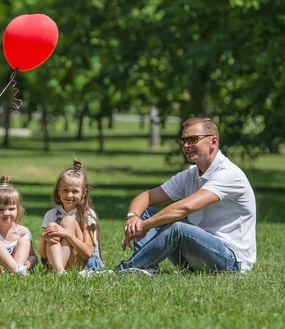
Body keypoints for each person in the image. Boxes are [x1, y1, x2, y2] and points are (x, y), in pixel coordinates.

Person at [117, 117, 256, 275]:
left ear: (213, 141)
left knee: (178, 228)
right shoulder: (190, 175)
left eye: (192, 139)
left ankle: (126, 268)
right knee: (145, 212)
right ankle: (145, 267)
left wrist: (143, 226)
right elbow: (146, 197)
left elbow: (185, 208)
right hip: (197, 253)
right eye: (183, 141)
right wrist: (133, 218)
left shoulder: (228, 174)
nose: (186, 145)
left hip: (231, 262)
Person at [39, 158, 103, 274]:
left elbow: (87, 253)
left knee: (68, 221)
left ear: (84, 193)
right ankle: (59, 271)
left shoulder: (86, 214)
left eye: (75, 191)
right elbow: (43, 254)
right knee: (53, 225)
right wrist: (44, 238)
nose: (69, 195)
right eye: (65, 190)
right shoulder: (51, 214)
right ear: (58, 191)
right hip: (55, 263)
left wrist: (67, 234)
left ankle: (58, 272)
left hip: (84, 264)